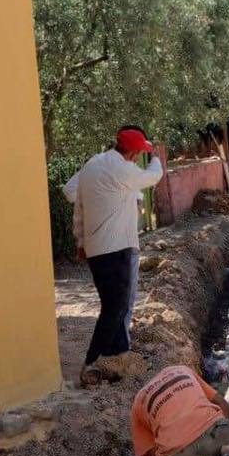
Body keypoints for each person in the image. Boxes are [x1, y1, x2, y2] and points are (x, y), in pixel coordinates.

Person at [73, 127, 163, 377]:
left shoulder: (92, 165)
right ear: (133, 152)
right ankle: (91, 363)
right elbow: (152, 177)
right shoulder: (121, 169)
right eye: (139, 152)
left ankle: (118, 357)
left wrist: (80, 241)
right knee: (115, 308)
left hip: (96, 250)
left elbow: (78, 207)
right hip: (117, 249)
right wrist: (156, 157)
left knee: (114, 305)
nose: (138, 157)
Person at [63, 125, 147, 346]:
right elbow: (71, 190)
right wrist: (100, 204)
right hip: (114, 245)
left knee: (125, 298)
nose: (139, 158)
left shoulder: (124, 171)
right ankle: (117, 350)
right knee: (121, 299)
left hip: (126, 242)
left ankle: (119, 345)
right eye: (138, 152)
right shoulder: (99, 167)